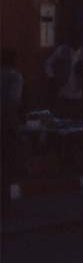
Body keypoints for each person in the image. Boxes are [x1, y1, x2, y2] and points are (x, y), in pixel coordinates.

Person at [44, 32, 83, 117]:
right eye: (75, 39)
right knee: (61, 120)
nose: (77, 42)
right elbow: (48, 63)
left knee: (76, 121)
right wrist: (51, 77)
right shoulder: (61, 50)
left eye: (79, 39)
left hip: (78, 94)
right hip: (62, 93)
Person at [2, 48, 24, 214]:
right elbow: (11, 104)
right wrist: (15, 128)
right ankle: (4, 205)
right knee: (7, 164)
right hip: (5, 125)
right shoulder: (15, 77)